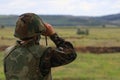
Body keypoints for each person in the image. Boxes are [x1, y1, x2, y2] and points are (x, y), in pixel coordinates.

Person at [4, 13, 77, 80]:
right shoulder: (44, 53)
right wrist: (53, 35)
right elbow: (71, 54)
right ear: (39, 32)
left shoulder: (8, 52)